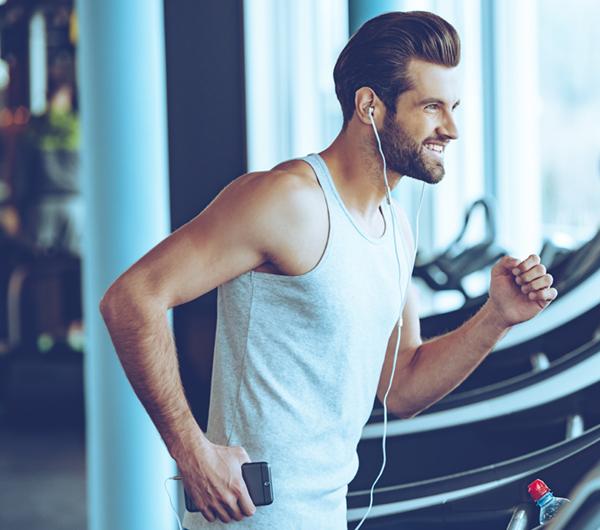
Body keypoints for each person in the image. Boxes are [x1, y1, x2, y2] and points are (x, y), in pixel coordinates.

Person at [99, 11, 557, 529]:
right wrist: (192, 453)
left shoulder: (396, 228)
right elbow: (132, 297)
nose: (450, 129)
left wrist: (497, 316)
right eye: (432, 107)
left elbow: (401, 388)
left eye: (452, 108)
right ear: (370, 106)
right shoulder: (286, 200)